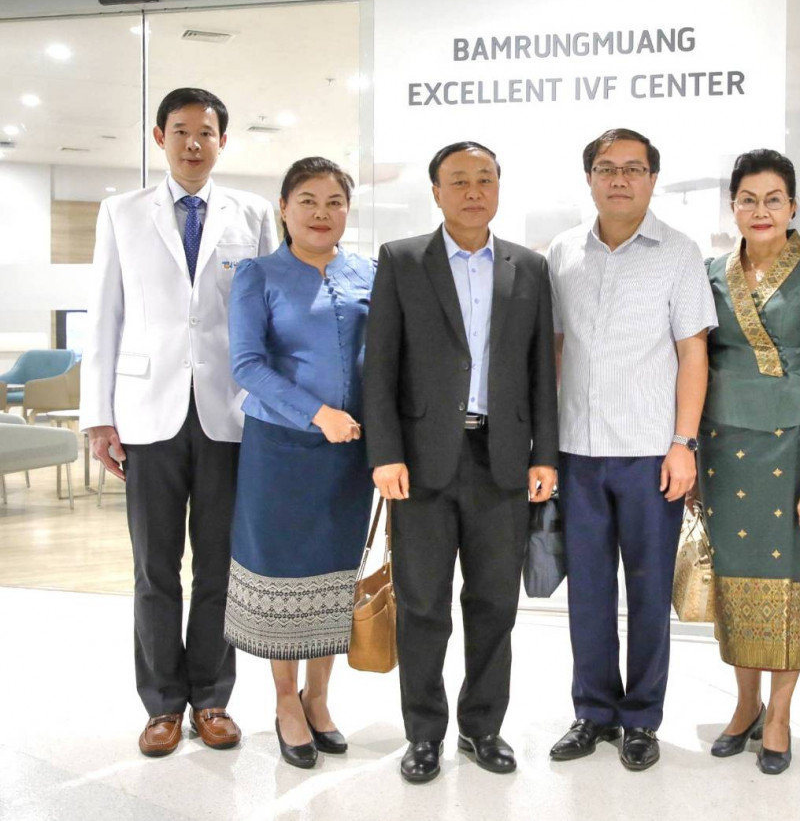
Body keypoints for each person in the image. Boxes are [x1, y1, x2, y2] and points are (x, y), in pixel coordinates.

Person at [80, 88, 277, 757]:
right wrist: (99, 417)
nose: (194, 143)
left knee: (221, 568)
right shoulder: (121, 212)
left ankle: (213, 698)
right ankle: (163, 705)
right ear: (160, 137)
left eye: (207, 132)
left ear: (223, 141)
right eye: (182, 130)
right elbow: (105, 315)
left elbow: (269, 316)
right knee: (154, 568)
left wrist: (271, 412)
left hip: (231, 412)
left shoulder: (252, 213)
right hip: (147, 412)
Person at [363, 141, 558, 784]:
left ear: (498, 186)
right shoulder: (401, 260)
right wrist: (385, 453)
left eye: (484, 179)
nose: (473, 191)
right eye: (459, 181)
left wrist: (545, 455)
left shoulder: (528, 266)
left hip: (502, 461)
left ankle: (482, 727)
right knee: (423, 604)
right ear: (436, 192)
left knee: (494, 603)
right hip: (421, 462)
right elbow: (380, 366)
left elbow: (541, 370)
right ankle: (423, 734)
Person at [547, 128, 717, 772]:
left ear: (651, 179)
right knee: (588, 593)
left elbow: (692, 352)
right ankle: (592, 711)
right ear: (589, 178)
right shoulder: (562, 251)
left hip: (651, 453)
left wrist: (684, 443)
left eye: (633, 169)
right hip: (577, 451)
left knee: (647, 594)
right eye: (607, 168)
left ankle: (642, 717)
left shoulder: (679, 253)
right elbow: (555, 349)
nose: (619, 179)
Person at [696, 149, 800, 775]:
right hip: (723, 448)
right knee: (736, 582)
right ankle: (745, 706)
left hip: (794, 452)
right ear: (733, 207)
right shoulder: (711, 272)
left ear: (792, 206)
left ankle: (781, 715)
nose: (760, 211)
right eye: (748, 200)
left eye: (773, 200)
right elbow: (695, 363)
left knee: (792, 583)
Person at [223, 157, 374, 768]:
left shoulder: (368, 271)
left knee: (333, 576)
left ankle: (319, 697)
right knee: (282, 574)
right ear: (283, 208)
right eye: (307, 200)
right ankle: (286, 701)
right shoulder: (258, 274)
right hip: (281, 450)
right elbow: (246, 364)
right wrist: (317, 414)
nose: (321, 213)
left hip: (350, 452)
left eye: (334, 202)